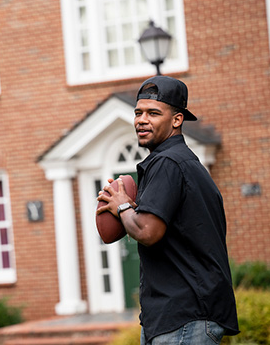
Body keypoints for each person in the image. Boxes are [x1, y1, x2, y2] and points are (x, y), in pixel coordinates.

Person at [96, 76, 239, 344]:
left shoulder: (168, 163)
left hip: (184, 318)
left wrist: (122, 205)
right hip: (179, 318)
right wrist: (133, 211)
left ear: (177, 120)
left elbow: (148, 231)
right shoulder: (181, 163)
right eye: (138, 112)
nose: (141, 120)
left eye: (153, 113)